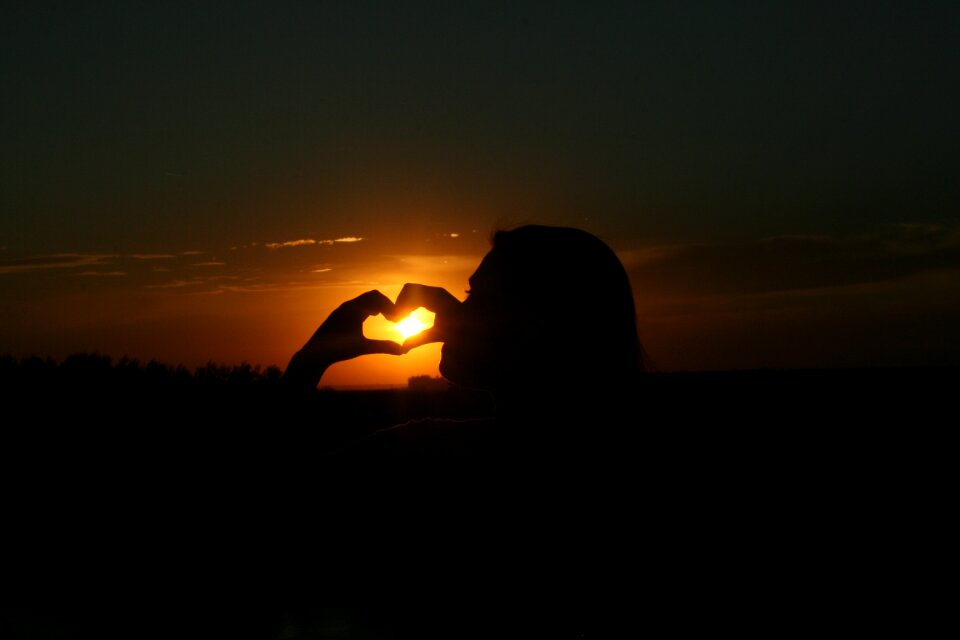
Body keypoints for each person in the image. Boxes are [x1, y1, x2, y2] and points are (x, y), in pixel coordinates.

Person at [283, 225, 645, 457]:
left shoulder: (427, 456)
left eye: (479, 297)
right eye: (466, 292)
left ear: (536, 325)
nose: (450, 311)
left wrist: (310, 361)